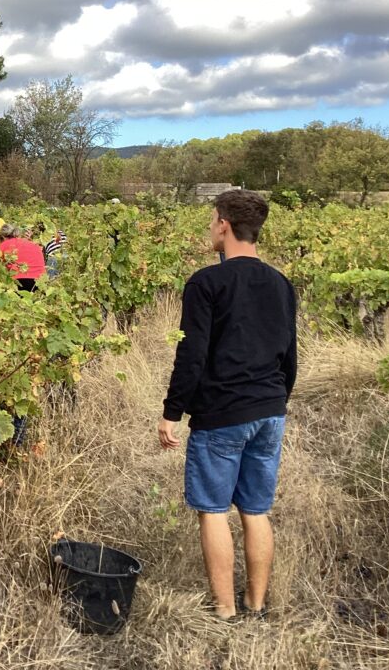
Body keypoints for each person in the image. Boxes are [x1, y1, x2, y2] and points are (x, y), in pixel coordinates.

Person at [158, 189, 297, 621]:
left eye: (211, 219)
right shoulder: (281, 283)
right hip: (270, 411)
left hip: (222, 414)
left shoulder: (206, 283)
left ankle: (225, 610)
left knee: (214, 511)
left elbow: (192, 355)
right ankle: (256, 605)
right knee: (256, 510)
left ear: (223, 224)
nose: (210, 227)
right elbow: (290, 355)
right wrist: (276, 401)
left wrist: (171, 412)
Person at [0, 225, 46, 292]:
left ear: (2, 237)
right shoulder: (34, 244)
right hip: (39, 282)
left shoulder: (4, 244)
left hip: (18, 281)